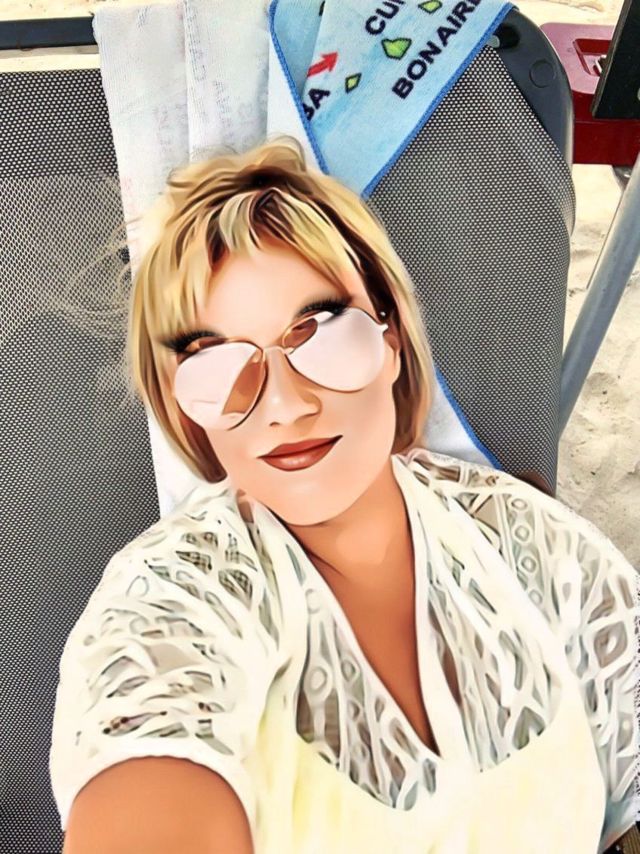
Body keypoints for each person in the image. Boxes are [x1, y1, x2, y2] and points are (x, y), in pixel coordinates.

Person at [50, 135, 638, 854]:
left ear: (391, 339)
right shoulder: (174, 598)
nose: (283, 405)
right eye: (216, 367)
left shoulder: (532, 543)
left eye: (321, 334)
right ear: (179, 402)